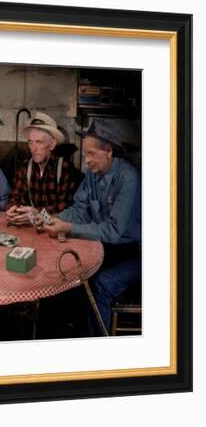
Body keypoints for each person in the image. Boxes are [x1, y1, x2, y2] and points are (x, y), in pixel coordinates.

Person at [43, 119, 141, 335]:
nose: (86, 161)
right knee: (74, 273)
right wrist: (54, 218)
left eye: (91, 154)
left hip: (137, 254)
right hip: (110, 249)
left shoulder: (128, 179)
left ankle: (100, 347)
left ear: (108, 151)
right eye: (85, 154)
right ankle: (78, 333)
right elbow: (81, 207)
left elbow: (113, 231)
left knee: (102, 283)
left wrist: (67, 227)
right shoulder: (93, 174)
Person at [6, 112, 82, 226]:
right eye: (30, 142)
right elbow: (14, 198)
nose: (33, 149)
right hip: (32, 227)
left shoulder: (65, 168)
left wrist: (37, 213)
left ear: (52, 145)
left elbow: (64, 208)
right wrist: (13, 210)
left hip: (56, 227)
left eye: (39, 142)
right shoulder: (25, 167)